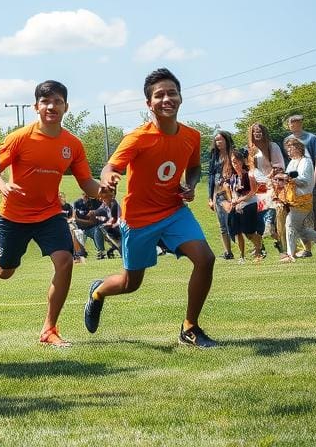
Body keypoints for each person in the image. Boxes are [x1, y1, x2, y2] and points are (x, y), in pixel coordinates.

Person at [84, 68, 217, 348]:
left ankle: (190, 328)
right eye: (159, 95)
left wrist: (191, 185)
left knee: (205, 259)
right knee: (131, 283)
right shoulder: (137, 137)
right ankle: (98, 292)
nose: (166, 98)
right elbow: (111, 166)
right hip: (139, 219)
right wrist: (108, 178)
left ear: (180, 97)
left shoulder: (192, 136)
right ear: (149, 104)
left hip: (173, 211)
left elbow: (194, 168)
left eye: (172, 93)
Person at [0, 80, 102, 347]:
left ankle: (49, 329)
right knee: (5, 270)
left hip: (49, 213)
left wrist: (104, 189)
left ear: (66, 107)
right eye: (45, 101)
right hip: (14, 216)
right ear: (36, 106)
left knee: (65, 260)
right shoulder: (20, 137)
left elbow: (86, 183)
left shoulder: (73, 144)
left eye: (57, 101)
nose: (51, 106)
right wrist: (2, 186)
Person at [278, 136, 316, 263]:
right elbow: (287, 180)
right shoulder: (293, 163)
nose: (288, 151)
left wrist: (290, 179)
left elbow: (305, 181)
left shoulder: (306, 162)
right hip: (293, 200)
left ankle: (290, 255)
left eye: (290, 148)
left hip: (302, 201)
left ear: (298, 147)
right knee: (301, 230)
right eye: (287, 148)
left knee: (290, 224)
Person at [282, 114, 316, 243]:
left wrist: (315, 176)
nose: (294, 125)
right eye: (291, 123)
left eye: (297, 122)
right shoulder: (287, 140)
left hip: (311, 182)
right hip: (294, 188)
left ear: (301, 123)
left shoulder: (311, 138)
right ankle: (308, 247)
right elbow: (290, 161)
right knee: (300, 219)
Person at [218, 148, 263, 263]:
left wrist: (239, 201)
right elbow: (233, 193)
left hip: (250, 204)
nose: (235, 164)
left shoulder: (249, 175)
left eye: (237, 161)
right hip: (238, 206)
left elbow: (252, 191)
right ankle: (242, 256)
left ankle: (259, 250)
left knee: (249, 232)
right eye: (233, 162)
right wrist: (233, 200)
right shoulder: (233, 178)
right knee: (238, 232)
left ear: (242, 161)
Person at [247, 122, 284, 252]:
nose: (257, 134)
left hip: (273, 185)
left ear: (264, 133)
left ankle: (282, 245)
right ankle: (262, 247)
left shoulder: (272, 146)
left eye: (259, 131)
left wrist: (270, 176)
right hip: (260, 188)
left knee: (272, 220)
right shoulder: (251, 150)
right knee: (261, 220)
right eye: (254, 132)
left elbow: (279, 165)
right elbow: (252, 169)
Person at [207, 131, 235, 260]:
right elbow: (211, 177)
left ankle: (253, 248)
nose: (218, 142)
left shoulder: (233, 154)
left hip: (231, 193)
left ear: (226, 140)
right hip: (217, 194)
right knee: (222, 225)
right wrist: (210, 197)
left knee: (233, 223)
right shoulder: (214, 155)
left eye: (221, 140)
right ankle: (227, 252)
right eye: (216, 140)